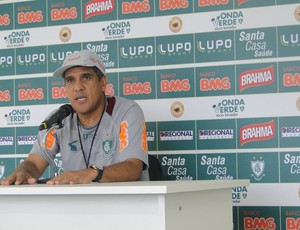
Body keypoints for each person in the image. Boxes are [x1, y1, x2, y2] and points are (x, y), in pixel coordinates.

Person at [0, 49, 149, 185]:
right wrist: (24, 172)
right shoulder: (58, 119)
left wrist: (92, 173)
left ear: (103, 83)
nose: (77, 87)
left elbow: (134, 167)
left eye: (86, 77)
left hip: (126, 205)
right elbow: (34, 162)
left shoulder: (126, 111)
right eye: (70, 80)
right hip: (77, 208)